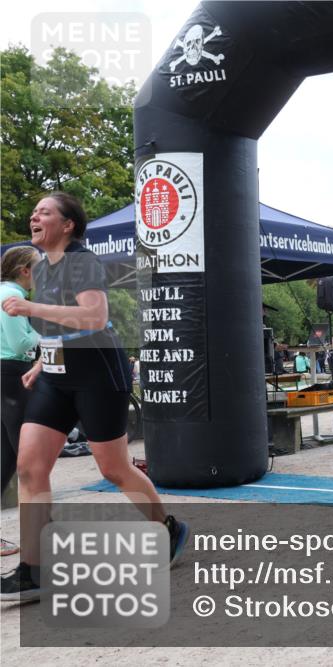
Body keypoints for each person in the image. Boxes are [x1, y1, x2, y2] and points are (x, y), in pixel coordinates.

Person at [0, 193, 187, 601]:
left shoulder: (82, 262)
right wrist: (39, 362)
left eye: (45, 212)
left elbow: (95, 317)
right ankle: (34, 570)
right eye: (34, 211)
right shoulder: (42, 268)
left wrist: (31, 306)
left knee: (114, 469)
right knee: (30, 467)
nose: (34, 215)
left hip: (98, 376)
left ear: (68, 225)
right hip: (55, 377)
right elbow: (58, 328)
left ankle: (167, 530)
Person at [0, 247, 42, 557]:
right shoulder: (13, 296)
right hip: (14, 375)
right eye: (37, 267)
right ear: (25, 270)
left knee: (5, 460)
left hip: (6, 376)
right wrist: (50, 332)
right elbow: (19, 343)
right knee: (29, 459)